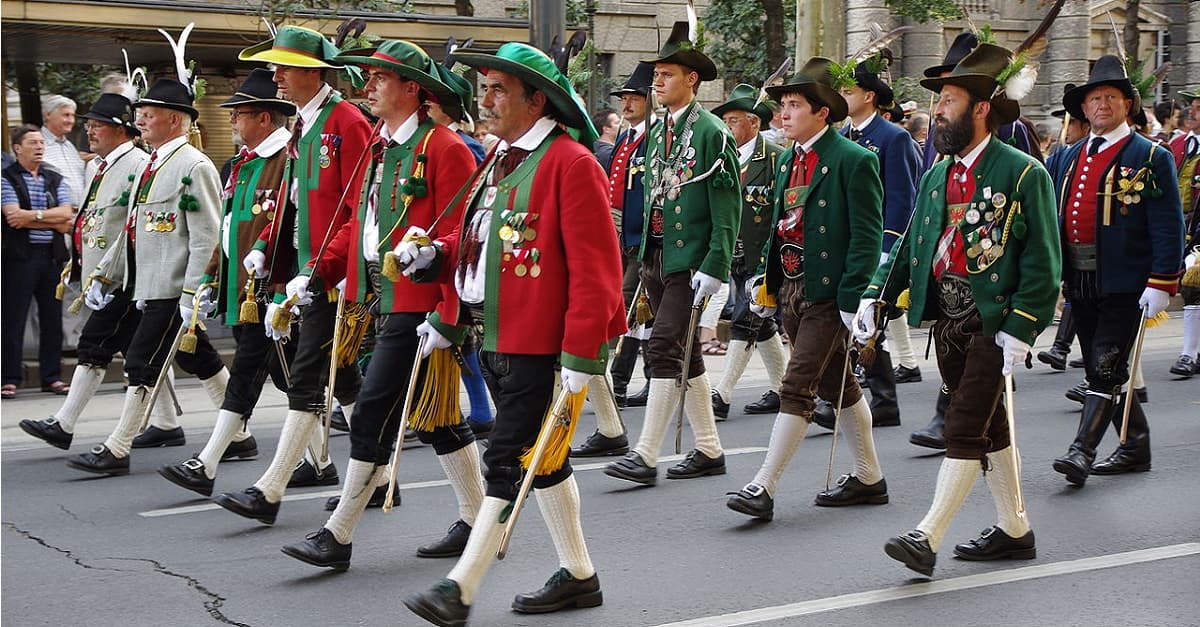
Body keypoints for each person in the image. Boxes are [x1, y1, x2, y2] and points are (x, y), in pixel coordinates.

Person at [400, 41, 624, 624]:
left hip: (539, 343)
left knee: (506, 460)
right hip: (491, 333)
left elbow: (598, 270)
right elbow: (476, 243)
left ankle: (459, 587)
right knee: (540, 460)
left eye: (500, 88)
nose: (485, 98)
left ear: (536, 98)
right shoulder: (499, 155)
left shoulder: (570, 162)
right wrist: (434, 258)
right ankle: (579, 574)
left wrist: (581, 355)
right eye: (485, 87)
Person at [278, 39, 485, 570]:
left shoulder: (445, 147)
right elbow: (357, 223)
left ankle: (338, 533)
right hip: (374, 297)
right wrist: (316, 270)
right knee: (434, 417)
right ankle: (477, 516)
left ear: (412, 89)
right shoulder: (378, 143)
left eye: (379, 78)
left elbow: (462, 237)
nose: (367, 86)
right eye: (366, 77)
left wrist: (447, 313)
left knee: (371, 411)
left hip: (419, 303)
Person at [862, 41, 1060, 577]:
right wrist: (877, 296)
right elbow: (909, 246)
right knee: (991, 430)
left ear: (979, 108)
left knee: (964, 426)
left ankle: (927, 535)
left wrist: (1023, 327)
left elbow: (1044, 259)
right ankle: (1015, 529)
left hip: (993, 325)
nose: (937, 110)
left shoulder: (1022, 173)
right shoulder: (936, 174)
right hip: (946, 321)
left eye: (948, 99)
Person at [214, 25, 371, 523]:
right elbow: (292, 202)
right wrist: (265, 246)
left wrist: (324, 267)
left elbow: (357, 205)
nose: (276, 75)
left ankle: (270, 488)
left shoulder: (346, 120)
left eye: (284, 67)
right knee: (342, 378)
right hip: (306, 270)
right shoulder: (305, 123)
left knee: (306, 376)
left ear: (310, 72)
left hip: (336, 273)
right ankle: (380, 471)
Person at [724, 57, 886, 522]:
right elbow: (777, 228)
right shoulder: (787, 160)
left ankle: (763, 485)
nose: (784, 114)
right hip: (792, 289)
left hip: (828, 293)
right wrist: (763, 277)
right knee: (841, 385)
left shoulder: (854, 160)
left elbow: (866, 235)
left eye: (795, 105)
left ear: (822, 113)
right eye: (783, 106)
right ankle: (870, 477)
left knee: (796, 386)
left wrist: (854, 299)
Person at [66, 71, 233, 476]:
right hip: (146, 282)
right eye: (140, 113)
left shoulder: (193, 165)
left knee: (141, 361)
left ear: (176, 119)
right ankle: (240, 433)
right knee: (193, 356)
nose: (140, 120)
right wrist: (104, 275)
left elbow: (207, 236)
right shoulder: (153, 164)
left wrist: (195, 291)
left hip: (174, 285)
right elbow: (130, 230)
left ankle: (118, 447)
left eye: (149, 113)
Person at [603, 22, 739, 486]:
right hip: (655, 254)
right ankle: (708, 448)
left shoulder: (711, 131)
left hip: (691, 260)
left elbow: (727, 204)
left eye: (665, 75)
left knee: (662, 347)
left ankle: (644, 454)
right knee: (685, 354)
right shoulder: (657, 130)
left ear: (692, 80)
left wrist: (716, 265)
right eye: (656, 76)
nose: (656, 83)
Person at [157, 69, 301, 496]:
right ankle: (329, 460)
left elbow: (286, 228)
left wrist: (283, 289)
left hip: (271, 290)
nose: (232, 121)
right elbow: (227, 230)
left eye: (239, 114)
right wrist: (209, 278)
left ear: (263, 118)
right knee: (290, 377)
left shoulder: (286, 161)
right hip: (240, 289)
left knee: (248, 374)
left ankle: (207, 463)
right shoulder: (241, 163)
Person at [17, 93, 189, 450]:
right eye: (89, 125)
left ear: (120, 130)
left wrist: (108, 274)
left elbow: (131, 227)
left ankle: (69, 425)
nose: (90, 131)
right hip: (111, 275)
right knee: (156, 353)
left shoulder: (137, 163)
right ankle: (171, 423)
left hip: (130, 276)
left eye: (97, 125)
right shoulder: (103, 164)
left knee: (96, 345)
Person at [1047, 55, 1185, 487]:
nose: (1102, 105)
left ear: (1127, 105)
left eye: (1111, 97)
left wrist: (1163, 281)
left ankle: (1080, 451)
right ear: (1083, 109)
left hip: (1127, 282)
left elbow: (1168, 223)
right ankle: (1135, 445)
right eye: (1094, 99)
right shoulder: (1068, 156)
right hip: (1080, 279)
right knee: (1101, 366)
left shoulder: (1149, 156)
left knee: (1105, 366)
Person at [830, 49, 921, 427]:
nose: (842, 97)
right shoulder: (842, 137)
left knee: (867, 318)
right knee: (853, 320)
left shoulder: (892, 138)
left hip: (877, 245)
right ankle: (881, 400)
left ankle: (867, 398)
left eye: (848, 91)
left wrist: (888, 250)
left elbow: (901, 200)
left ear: (869, 95)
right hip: (846, 245)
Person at [573, 62, 656, 457]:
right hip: (620, 234)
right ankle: (619, 385)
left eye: (634, 98)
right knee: (630, 316)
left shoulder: (657, 139)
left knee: (622, 313)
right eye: (624, 98)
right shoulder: (626, 139)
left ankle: (620, 382)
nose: (626, 104)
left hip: (644, 240)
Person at [708, 83, 787, 421]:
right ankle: (784, 388)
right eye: (725, 120)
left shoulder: (775, 159)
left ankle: (722, 394)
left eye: (734, 120)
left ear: (754, 122)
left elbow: (784, 211)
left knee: (744, 319)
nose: (728, 128)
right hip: (732, 255)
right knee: (762, 324)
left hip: (764, 256)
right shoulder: (720, 160)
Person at [2, 124, 75, 399]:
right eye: (33, 143)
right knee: (13, 319)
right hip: (18, 258)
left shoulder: (53, 177)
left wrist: (33, 217)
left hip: (52, 257)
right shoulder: (6, 177)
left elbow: (66, 214)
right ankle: (9, 377)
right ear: (17, 148)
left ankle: (52, 376)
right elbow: (12, 216)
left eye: (40, 143)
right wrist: (51, 219)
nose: (39, 146)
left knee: (52, 319)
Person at [1169, 87, 1199, 378]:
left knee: (1194, 289)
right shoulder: (1178, 145)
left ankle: (1189, 354)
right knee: (1192, 289)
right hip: (1182, 225)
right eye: (1192, 106)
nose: (1192, 112)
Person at [40, 95, 86, 206]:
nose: (71, 121)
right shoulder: (37, 144)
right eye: (66, 115)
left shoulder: (69, 146)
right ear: (48, 115)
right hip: (55, 216)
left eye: (72, 116)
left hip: (79, 214)